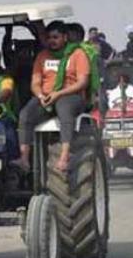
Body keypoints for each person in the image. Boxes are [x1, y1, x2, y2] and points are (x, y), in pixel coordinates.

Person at [13, 21, 92, 172]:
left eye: (55, 37)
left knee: (64, 108)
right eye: (49, 37)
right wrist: (40, 95)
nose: (52, 41)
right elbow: (35, 82)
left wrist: (59, 93)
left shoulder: (77, 54)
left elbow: (82, 82)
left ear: (65, 37)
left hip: (71, 95)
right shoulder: (42, 56)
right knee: (25, 114)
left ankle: (64, 156)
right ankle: (24, 159)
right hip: (47, 96)